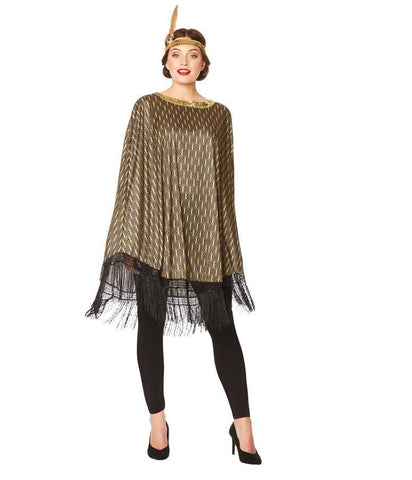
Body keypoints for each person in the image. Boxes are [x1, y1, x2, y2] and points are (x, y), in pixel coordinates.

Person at [85, 5, 261, 464]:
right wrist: (128, 238)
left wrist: (226, 246)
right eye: (176, 54)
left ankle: (244, 427)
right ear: (165, 61)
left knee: (223, 328)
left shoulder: (220, 115)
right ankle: (158, 424)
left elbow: (224, 188)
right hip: (154, 233)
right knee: (151, 324)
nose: (184, 62)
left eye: (193, 55)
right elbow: (131, 176)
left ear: (204, 64)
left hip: (204, 238)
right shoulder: (146, 107)